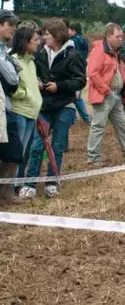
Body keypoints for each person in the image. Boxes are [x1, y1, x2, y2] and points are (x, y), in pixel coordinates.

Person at [21, 18, 86, 199]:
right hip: (44, 106)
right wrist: (39, 82)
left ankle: (51, 182)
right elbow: (36, 74)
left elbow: (80, 80)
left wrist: (59, 85)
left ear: (57, 35)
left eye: (47, 34)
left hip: (65, 106)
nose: (44, 37)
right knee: (37, 145)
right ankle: (30, 182)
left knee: (57, 145)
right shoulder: (40, 55)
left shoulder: (73, 55)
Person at [85, 23, 125, 165]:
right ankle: (93, 158)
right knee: (98, 126)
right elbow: (93, 73)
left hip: (116, 95)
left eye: (122, 36)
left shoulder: (116, 52)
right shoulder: (99, 50)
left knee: (122, 125)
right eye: (117, 36)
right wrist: (106, 90)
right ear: (108, 36)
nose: (121, 39)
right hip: (105, 95)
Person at [8, 26, 42, 191]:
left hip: (31, 114)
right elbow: (11, 86)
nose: (38, 42)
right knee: (15, 154)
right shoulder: (13, 60)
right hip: (19, 112)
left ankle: (15, 187)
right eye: (35, 40)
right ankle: (8, 188)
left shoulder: (31, 62)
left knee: (22, 154)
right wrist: (26, 93)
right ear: (25, 42)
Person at [0, 11, 22, 203]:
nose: (13, 29)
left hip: (7, 107)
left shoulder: (4, 51)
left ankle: (6, 193)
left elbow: (15, 79)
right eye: (10, 24)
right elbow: (13, 78)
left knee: (14, 151)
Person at [68, 22, 91, 125]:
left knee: (76, 96)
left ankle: (85, 118)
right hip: (82, 68)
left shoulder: (72, 41)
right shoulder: (84, 40)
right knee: (77, 95)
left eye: (69, 30)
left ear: (73, 30)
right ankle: (75, 118)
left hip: (74, 69)